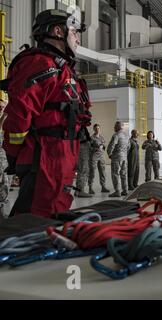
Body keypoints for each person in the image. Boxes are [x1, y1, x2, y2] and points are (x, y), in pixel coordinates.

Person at [1, 9, 91, 217]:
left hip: (61, 161)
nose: (77, 39)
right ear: (58, 31)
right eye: (74, 32)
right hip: (43, 163)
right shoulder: (39, 64)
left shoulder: (63, 68)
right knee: (34, 224)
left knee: (53, 219)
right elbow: (18, 118)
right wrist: (15, 156)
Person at [107, 121, 129, 197]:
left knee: (115, 174)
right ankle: (125, 190)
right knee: (123, 174)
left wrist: (109, 153)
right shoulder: (126, 135)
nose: (114, 127)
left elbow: (112, 144)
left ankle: (117, 191)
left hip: (116, 157)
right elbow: (128, 147)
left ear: (118, 127)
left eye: (115, 126)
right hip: (124, 158)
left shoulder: (116, 135)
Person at [88, 124, 109, 194]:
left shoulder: (101, 137)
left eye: (98, 128)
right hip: (94, 157)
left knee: (102, 172)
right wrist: (96, 148)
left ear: (100, 129)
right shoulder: (91, 138)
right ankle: (90, 188)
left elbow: (104, 146)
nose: (97, 130)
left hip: (101, 157)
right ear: (94, 129)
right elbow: (89, 148)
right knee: (92, 172)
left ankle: (103, 187)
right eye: (96, 129)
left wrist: (103, 146)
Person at [74, 127, 92, 198]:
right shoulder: (81, 127)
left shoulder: (79, 126)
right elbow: (82, 139)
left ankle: (77, 190)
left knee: (80, 171)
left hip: (81, 150)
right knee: (83, 171)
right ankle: (81, 190)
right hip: (82, 151)